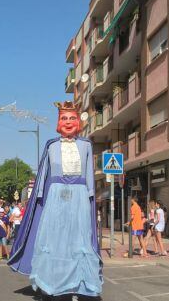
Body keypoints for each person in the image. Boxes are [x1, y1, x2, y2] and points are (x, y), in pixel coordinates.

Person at [8, 101, 102, 299]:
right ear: (59, 121)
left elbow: (89, 176)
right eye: (64, 118)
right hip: (56, 197)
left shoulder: (86, 145)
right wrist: (40, 194)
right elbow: (44, 173)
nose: (68, 122)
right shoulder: (51, 145)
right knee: (54, 242)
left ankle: (77, 286)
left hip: (79, 197)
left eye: (72, 118)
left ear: (78, 121)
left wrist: (90, 194)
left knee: (78, 243)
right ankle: (50, 284)